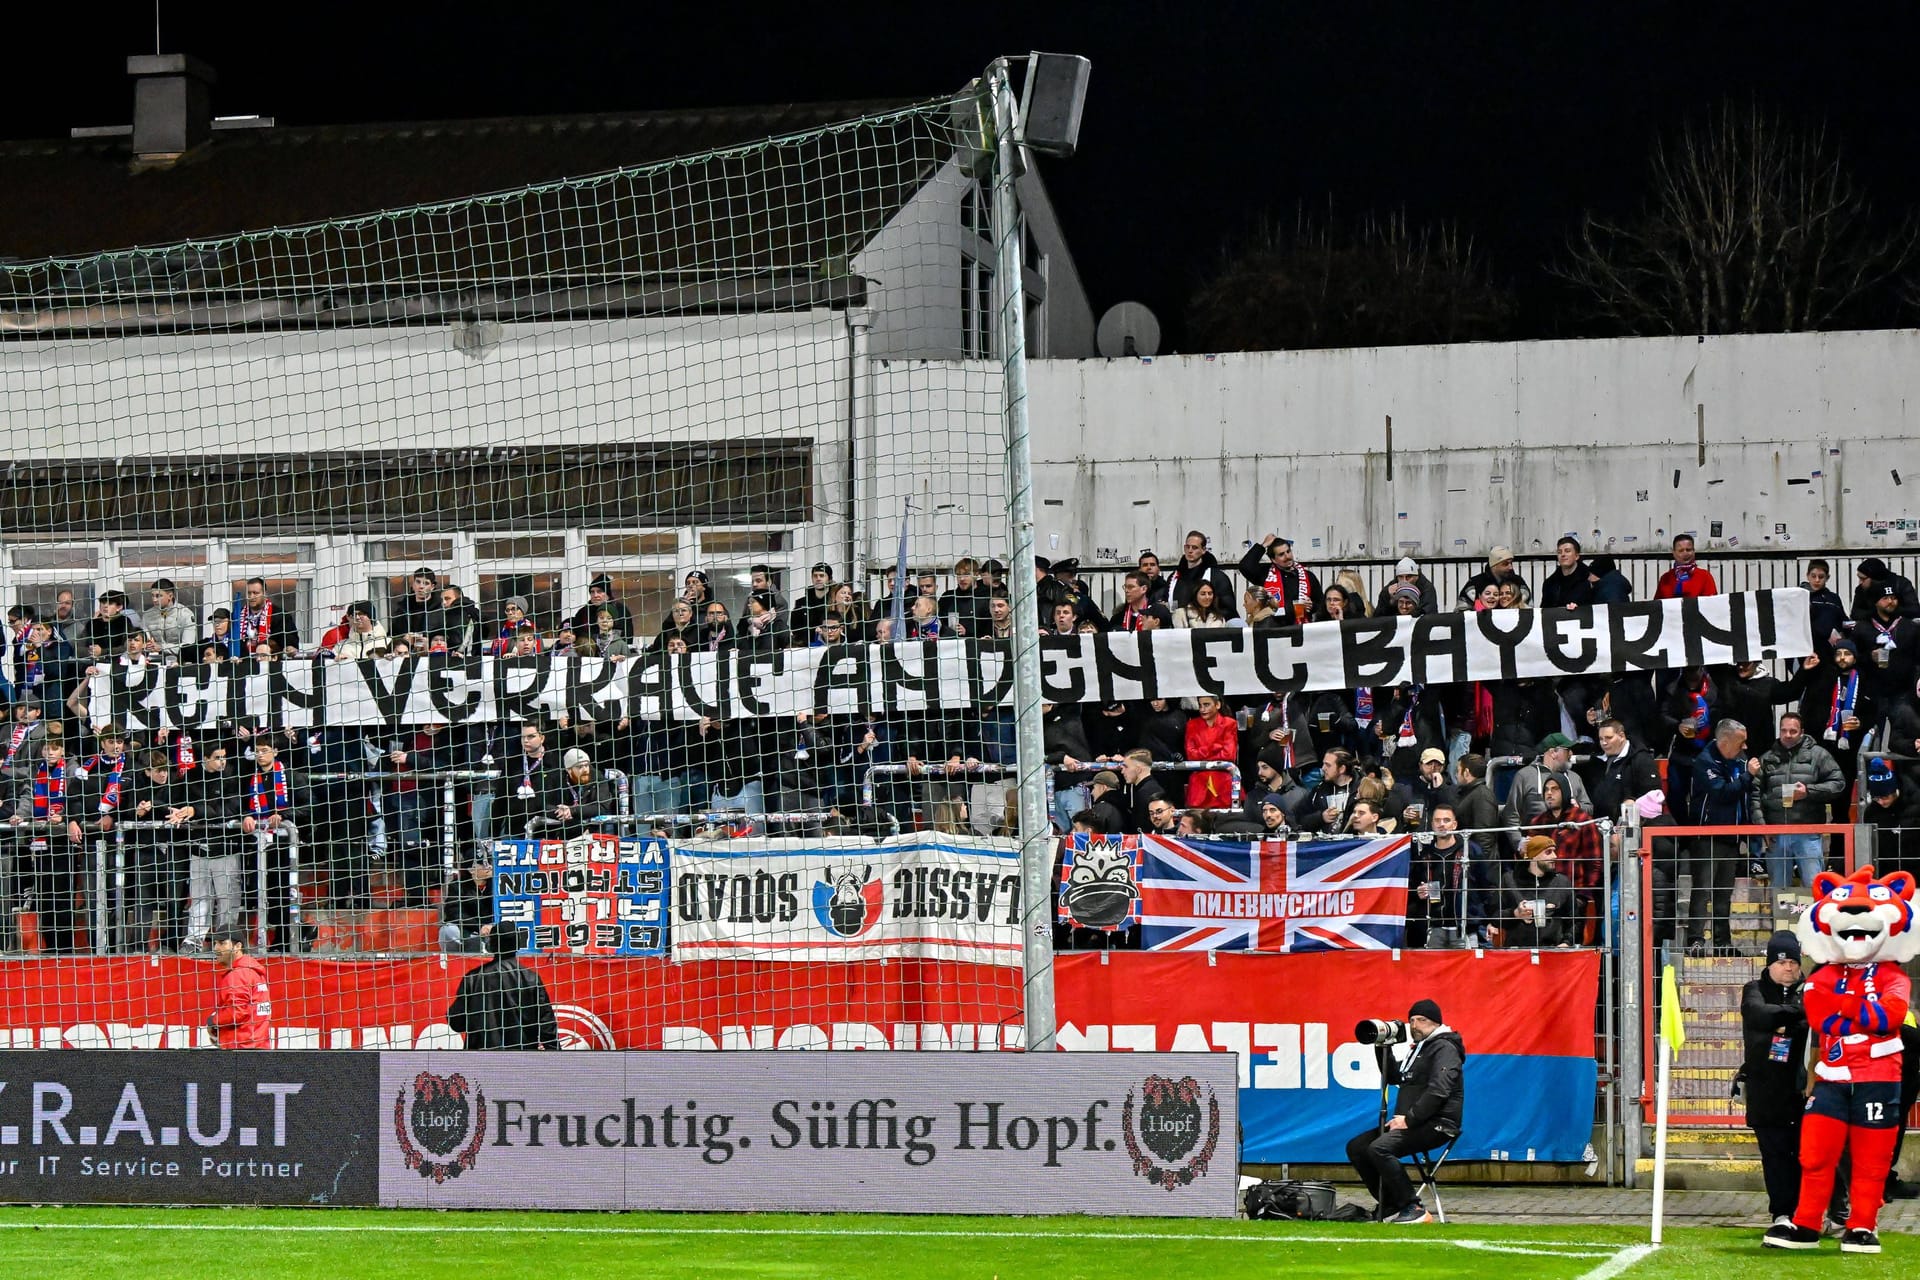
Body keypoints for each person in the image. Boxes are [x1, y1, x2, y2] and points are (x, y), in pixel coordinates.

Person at [1344, 999, 1464, 1225]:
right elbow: (1394, 1076)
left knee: (1380, 1148)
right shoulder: (1420, 1049)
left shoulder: (1444, 1048)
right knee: (1357, 1147)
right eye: (1412, 1020)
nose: (1415, 1025)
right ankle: (1392, 1203)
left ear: (1436, 1023)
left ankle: (1413, 1207)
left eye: (1422, 1020)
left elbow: (1439, 1090)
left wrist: (1410, 1119)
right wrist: (1382, 1047)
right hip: (1414, 1122)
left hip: (1438, 1124)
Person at [1742, 931, 1818, 1229]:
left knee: (1803, 1154)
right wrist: (1797, 1014)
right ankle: (1782, 1213)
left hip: (1800, 1090)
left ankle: (1805, 1212)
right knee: (1774, 1155)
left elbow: (1811, 1022)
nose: (1789, 967)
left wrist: (1786, 1020)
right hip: (1765, 1091)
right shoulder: (1754, 989)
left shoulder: (1809, 990)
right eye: (1782, 962)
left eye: (1793, 962)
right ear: (1770, 963)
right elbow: (1758, 1015)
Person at [1755, 712, 1844, 891]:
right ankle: (1780, 912)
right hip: (1776, 833)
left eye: (1793, 731)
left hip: (1808, 832)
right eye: (1783, 730)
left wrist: (1808, 791)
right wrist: (1762, 827)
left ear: (1802, 732)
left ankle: (1814, 911)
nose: (1787, 735)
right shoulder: (1767, 758)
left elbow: (1838, 784)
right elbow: (1755, 796)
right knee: (1779, 891)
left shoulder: (1818, 755)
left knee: (1814, 888)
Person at [447, 925, 561, 1050]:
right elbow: (547, 1026)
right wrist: (555, 1056)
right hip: (521, 1054)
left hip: (481, 1056)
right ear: (518, 945)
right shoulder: (531, 978)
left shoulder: (473, 978)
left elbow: (456, 1022)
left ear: (492, 944)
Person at [1502, 835, 1575, 948]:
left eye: (1554, 851)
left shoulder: (1562, 882)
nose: (1555, 856)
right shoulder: (1509, 880)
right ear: (1534, 856)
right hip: (1518, 951)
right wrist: (1515, 913)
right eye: (1548, 852)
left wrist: (1567, 942)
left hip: (1553, 950)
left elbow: (1575, 920)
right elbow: (1494, 915)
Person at [205, 925, 271, 1049]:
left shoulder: (238, 974)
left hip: (240, 1049)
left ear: (238, 946)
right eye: (215, 943)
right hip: (259, 1046)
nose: (216, 948)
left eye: (222, 943)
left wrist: (213, 1021)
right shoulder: (254, 971)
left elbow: (237, 1012)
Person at [439, 855, 495, 953]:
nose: (489, 867)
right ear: (471, 869)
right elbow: (454, 912)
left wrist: (490, 926)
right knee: (447, 930)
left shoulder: (498, 884)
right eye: (484, 864)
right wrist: (479, 926)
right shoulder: (457, 885)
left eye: (490, 863)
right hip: (468, 928)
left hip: (491, 929)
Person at [1656, 533, 1718, 599]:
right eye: (1681, 551)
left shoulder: (1705, 576)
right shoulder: (1665, 578)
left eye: (1688, 550)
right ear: (1674, 553)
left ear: (1694, 551)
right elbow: (1657, 603)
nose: (1685, 553)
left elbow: (1712, 602)